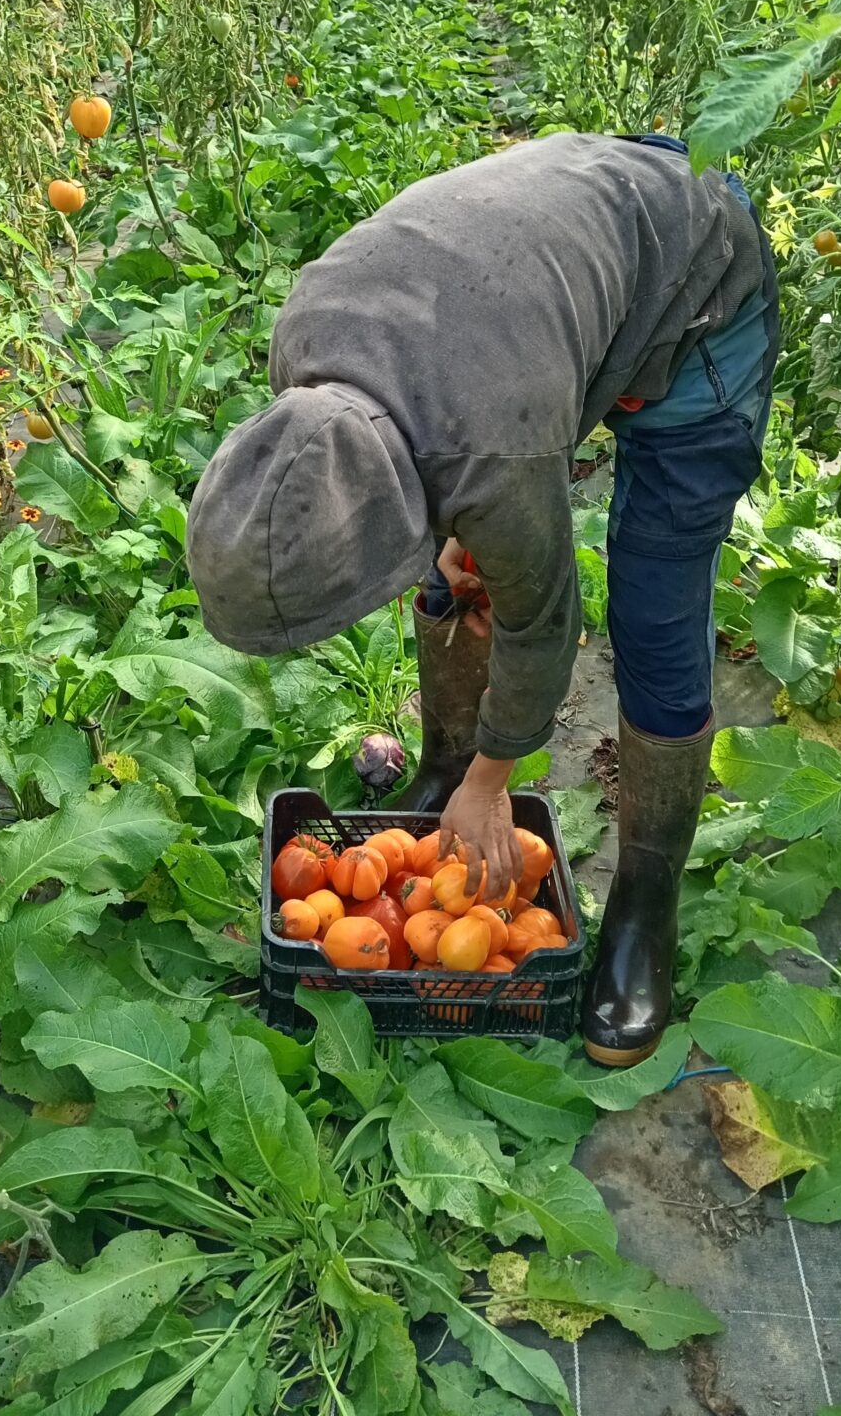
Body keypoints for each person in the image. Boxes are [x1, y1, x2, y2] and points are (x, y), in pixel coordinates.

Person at [186, 132, 778, 1067]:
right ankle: (445, 767)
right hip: (523, 307)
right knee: (456, 570)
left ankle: (643, 906)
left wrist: (499, 780)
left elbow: (545, 622)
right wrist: (461, 550)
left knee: (656, 613)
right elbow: (412, 487)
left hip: (692, 276)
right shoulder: (306, 359)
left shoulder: (494, 450)